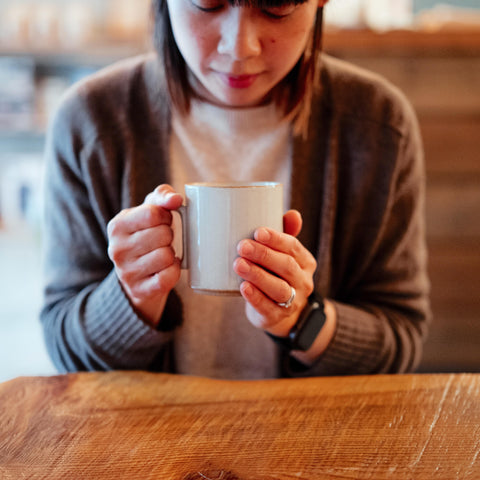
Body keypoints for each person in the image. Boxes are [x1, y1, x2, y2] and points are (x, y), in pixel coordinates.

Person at [41, 0, 431, 378]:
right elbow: (66, 349)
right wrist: (134, 300)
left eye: (276, 5)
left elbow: (399, 340)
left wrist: (300, 321)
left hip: (315, 441)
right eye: (208, 4)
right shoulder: (90, 121)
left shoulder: (378, 125)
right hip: (145, 441)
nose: (239, 47)